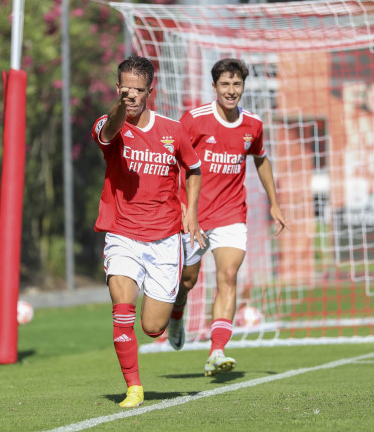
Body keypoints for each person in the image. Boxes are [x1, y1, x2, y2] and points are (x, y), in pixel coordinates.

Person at [91, 56, 203, 408]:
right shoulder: (109, 125)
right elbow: (109, 130)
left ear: (150, 92)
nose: (132, 96)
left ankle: (177, 308)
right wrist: (119, 107)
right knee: (121, 306)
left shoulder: (173, 130)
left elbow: (194, 169)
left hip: (165, 238)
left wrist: (193, 212)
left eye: (138, 91)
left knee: (153, 328)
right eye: (126, 89)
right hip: (122, 234)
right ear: (118, 88)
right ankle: (134, 387)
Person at [167, 58, 287, 376]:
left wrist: (274, 203)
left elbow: (261, 160)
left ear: (243, 87)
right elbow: (172, 162)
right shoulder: (194, 120)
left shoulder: (253, 126)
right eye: (225, 85)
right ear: (214, 87)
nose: (231, 91)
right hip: (193, 215)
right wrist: (183, 209)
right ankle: (178, 312)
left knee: (229, 276)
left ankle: (217, 351)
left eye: (236, 85)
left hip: (232, 213)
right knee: (187, 280)